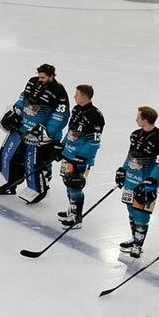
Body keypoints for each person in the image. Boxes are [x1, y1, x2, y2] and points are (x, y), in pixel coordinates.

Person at [0, 63, 68, 199]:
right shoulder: (32, 82)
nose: (40, 79)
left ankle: (40, 187)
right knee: (8, 153)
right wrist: (15, 112)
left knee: (34, 162)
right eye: (39, 76)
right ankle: (9, 182)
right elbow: (23, 98)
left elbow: (60, 116)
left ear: (51, 76)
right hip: (22, 128)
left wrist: (47, 132)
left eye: (43, 77)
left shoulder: (59, 91)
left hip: (39, 135)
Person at [115, 105, 159, 259]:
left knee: (141, 214)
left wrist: (151, 180)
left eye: (138, 117)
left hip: (145, 185)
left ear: (146, 120)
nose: (136, 119)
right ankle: (135, 238)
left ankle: (138, 246)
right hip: (131, 180)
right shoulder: (135, 135)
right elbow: (130, 155)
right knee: (131, 210)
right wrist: (123, 170)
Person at [54, 85, 105, 227]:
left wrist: (82, 156)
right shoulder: (76, 109)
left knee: (75, 184)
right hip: (69, 153)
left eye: (77, 94)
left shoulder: (95, 115)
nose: (74, 97)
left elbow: (94, 141)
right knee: (68, 182)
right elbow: (71, 131)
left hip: (80, 158)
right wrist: (62, 146)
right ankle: (72, 209)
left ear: (84, 96)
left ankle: (76, 217)